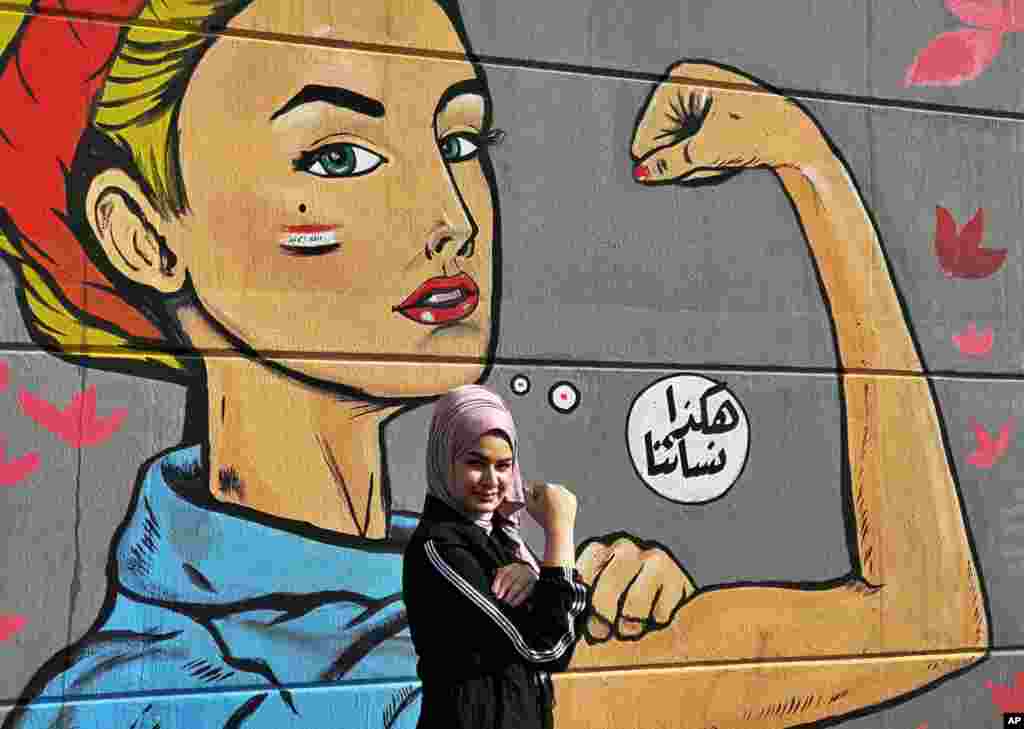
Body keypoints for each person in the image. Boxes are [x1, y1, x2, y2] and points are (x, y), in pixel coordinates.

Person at [0, 0, 989, 727]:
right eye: (338, 155)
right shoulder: (178, 694)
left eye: (461, 137)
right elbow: (914, 619)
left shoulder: (426, 576)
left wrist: (566, 593)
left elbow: (923, 624)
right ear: (140, 237)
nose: (451, 215)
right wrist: (809, 169)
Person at [403, 385, 589, 729]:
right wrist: (559, 532)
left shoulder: (501, 540)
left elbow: (565, 622)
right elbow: (546, 648)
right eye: (476, 463)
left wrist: (536, 581)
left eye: (504, 465)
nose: (492, 480)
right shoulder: (440, 550)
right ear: (445, 459)